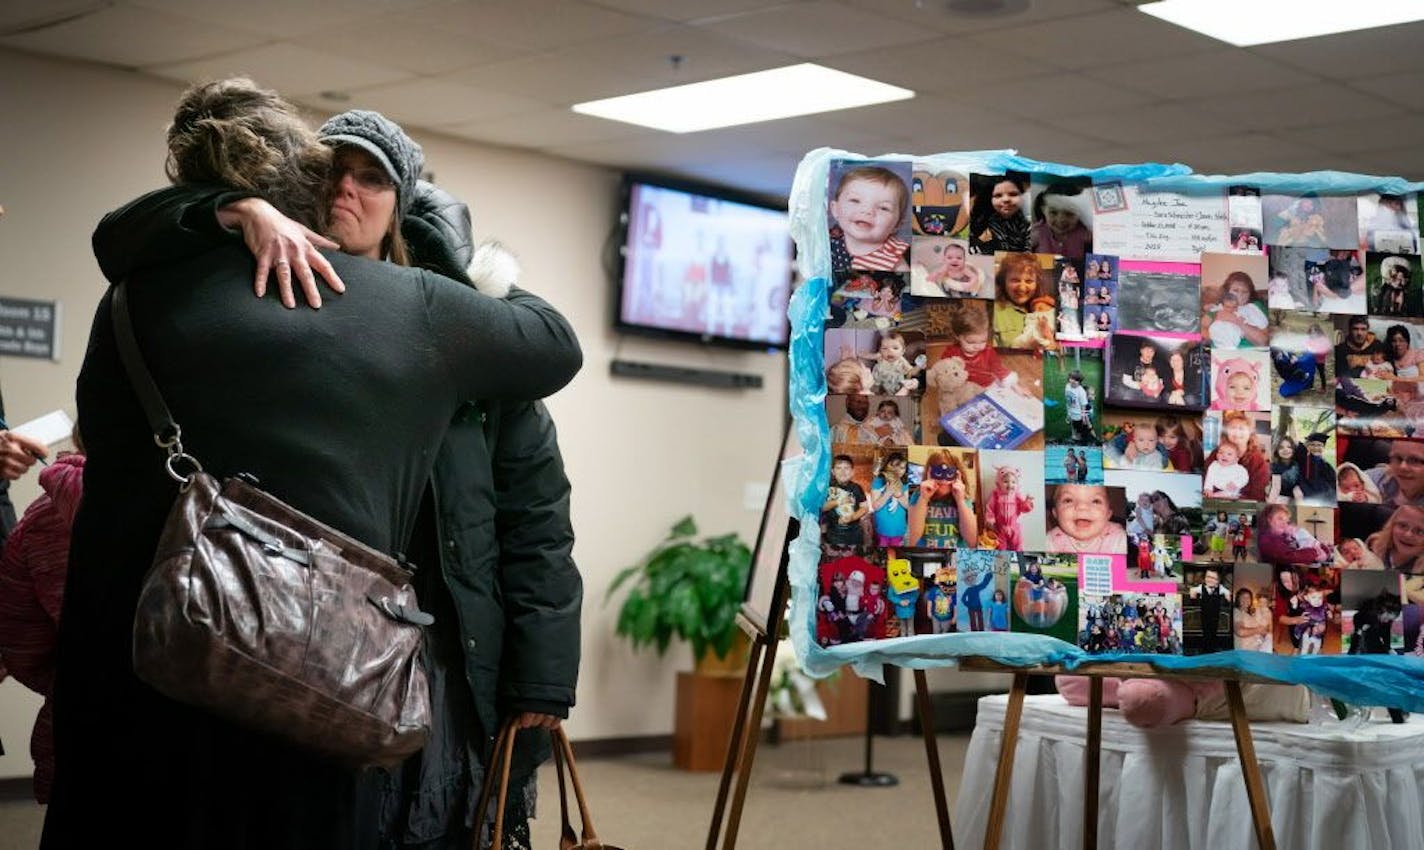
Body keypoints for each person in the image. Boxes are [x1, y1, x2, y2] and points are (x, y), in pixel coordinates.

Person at [46, 80, 582, 850]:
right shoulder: (411, 310)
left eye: (373, 180)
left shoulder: (138, 292)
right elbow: (556, 342)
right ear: (298, 181)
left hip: (352, 647)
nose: (345, 192)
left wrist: (540, 680)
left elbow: (535, 521)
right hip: (305, 652)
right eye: (333, 171)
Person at [0, 431, 83, 803]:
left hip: (86, 712)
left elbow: (22, 640)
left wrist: (57, 680)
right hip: (224, 720)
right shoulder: (222, 506)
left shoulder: (41, 520)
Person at [828, 165, 910, 271]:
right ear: (835, 209)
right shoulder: (826, 242)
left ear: (897, 224)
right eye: (855, 200)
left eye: (883, 208)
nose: (867, 211)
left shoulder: (895, 262)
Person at [906, 452, 979, 548]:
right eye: (938, 473)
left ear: (957, 475)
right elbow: (911, 540)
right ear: (929, 473)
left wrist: (960, 501)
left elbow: (972, 541)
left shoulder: (963, 498)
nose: (944, 480)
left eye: (949, 473)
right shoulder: (918, 495)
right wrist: (924, 499)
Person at [992, 252, 1053, 350]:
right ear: (1003, 282)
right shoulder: (994, 311)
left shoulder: (1047, 308)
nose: (1022, 287)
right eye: (1015, 280)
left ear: (1037, 283)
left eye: (1029, 281)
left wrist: (1053, 346)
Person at [1204, 412, 1270, 501]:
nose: (1236, 432)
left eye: (1241, 429)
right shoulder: (1217, 452)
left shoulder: (1258, 461)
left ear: (1250, 433)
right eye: (1232, 428)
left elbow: (1258, 496)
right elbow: (1205, 477)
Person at [1046, 484, 1127, 555]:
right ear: (1055, 513)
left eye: (1095, 501)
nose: (1082, 507)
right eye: (1068, 500)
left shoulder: (1119, 539)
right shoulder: (1050, 541)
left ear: (1108, 514)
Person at [1202, 271, 1269, 348]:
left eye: (1245, 291)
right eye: (1235, 290)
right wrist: (1216, 338)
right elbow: (1202, 327)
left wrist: (1235, 320)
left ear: (1250, 293)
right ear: (1227, 291)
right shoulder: (1220, 307)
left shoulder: (1255, 307)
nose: (1240, 295)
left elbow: (1264, 342)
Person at [969, 172, 1031, 254]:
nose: (1006, 199)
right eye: (998, 195)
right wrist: (981, 240)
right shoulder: (984, 221)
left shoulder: (1027, 223)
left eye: (1013, 194)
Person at [1030, 183, 1092, 260]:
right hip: (1044, 270)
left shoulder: (1083, 232)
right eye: (1053, 212)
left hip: (1072, 270)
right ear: (1043, 210)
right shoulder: (1038, 232)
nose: (1061, 220)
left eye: (1069, 213)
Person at [1367, 503, 1424, 572]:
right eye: (1403, 525)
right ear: (1392, 526)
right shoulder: (1373, 544)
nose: (1408, 535)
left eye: (1420, 531)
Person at [1187, 569, 1229, 653]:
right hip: (1205, 614)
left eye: (1214, 578)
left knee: (1213, 631)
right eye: (1208, 577)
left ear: (1218, 580)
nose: (1210, 580)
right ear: (1204, 578)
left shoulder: (1220, 588)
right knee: (1205, 631)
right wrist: (1192, 595)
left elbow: (1227, 592)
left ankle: (1213, 648)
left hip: (1215, 615)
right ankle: (1205, 648)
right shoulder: (1201, 587)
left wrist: (1227, 596)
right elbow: (1193, 590)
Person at [1233, 588, 1272, 653]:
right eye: (1243, 597)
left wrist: (1265, 632)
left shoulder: (1250, 615)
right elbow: (1240, 632)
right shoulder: (1237, 612)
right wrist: (1258, 630)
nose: (1246, 600)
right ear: (1238, 599)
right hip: (1248, 651)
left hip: (1258, 645)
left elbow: (1263, 629)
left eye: (1248, 597)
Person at [1064, 370, 1092, 444]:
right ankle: (1074, 435)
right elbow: (1068, 398)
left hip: (1077, 413)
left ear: (1079, 382)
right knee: (1072, 424)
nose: (1073, 381)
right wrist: (1068, 413)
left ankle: (1078, 438)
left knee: (1078, 427)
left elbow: (1083, 405)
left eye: (1076, 380)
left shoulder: (1081, 391)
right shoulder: (1067, 386)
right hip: (1070, 410)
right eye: (1071, 378)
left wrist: (1083, 416)